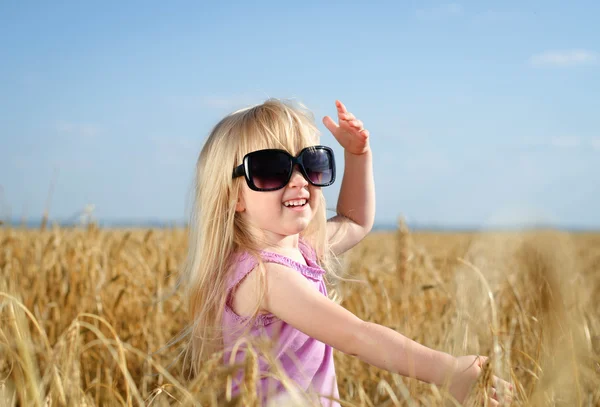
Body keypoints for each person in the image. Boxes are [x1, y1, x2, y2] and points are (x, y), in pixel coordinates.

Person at [180, 98, 512, 406]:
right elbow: (356, 336)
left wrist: (357, 155)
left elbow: (355, 221)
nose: (298, 180)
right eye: (271, 169)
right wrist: (449, 370)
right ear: (233, 198)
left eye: (310, 163)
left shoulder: (300, 250)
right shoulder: (266, 276)